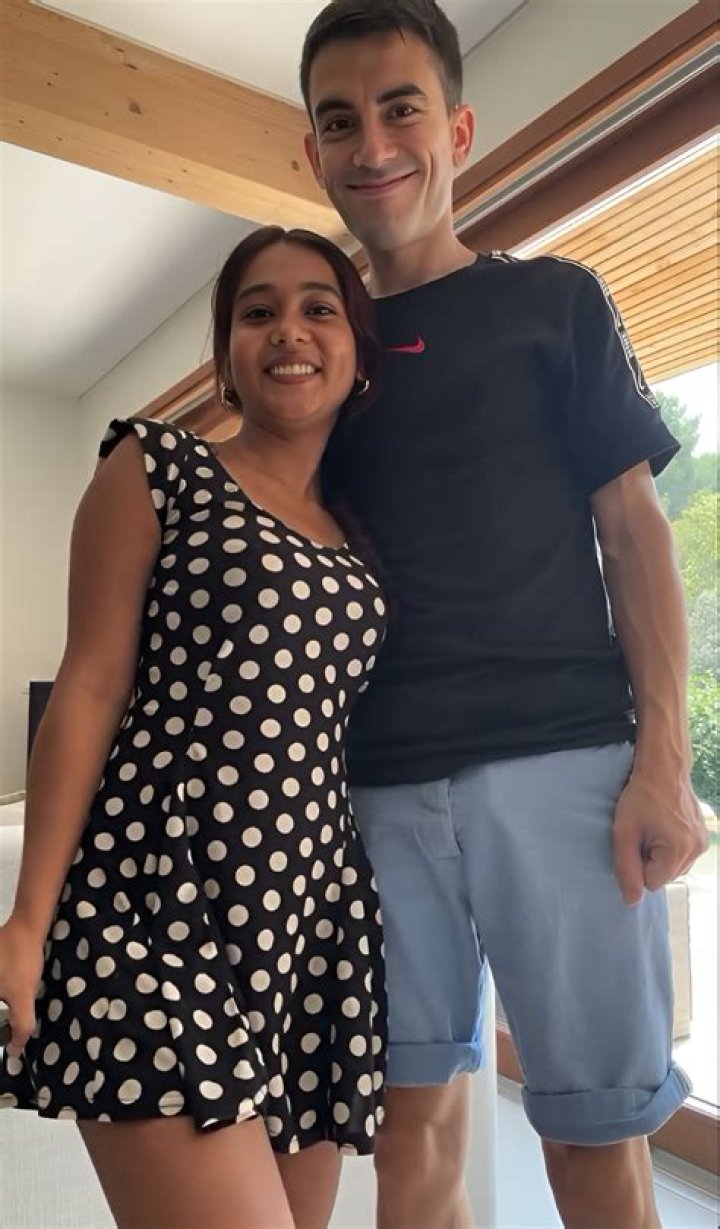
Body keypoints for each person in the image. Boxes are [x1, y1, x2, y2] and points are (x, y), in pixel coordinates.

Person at [299, 3, 709, 1227]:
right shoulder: (319, 352)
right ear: (311, 151)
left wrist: (663, 763)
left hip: (564, 766)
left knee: (593, 1133)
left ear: (459, 130)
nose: (374, 144)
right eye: (340, 120)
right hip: (376, 790)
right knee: (408, 1140)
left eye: (401, 109)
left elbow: (635, 533)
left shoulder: (556, 302)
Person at [0, 225, 388, 1229]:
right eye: (258, 311)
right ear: (227, 354)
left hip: (312, 927)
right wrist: (26, 922)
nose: (288, 330)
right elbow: (89, 685)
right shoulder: (156, 463)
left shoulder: (360, 531)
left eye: (318, 308)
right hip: (149, 903)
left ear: (357, 350)